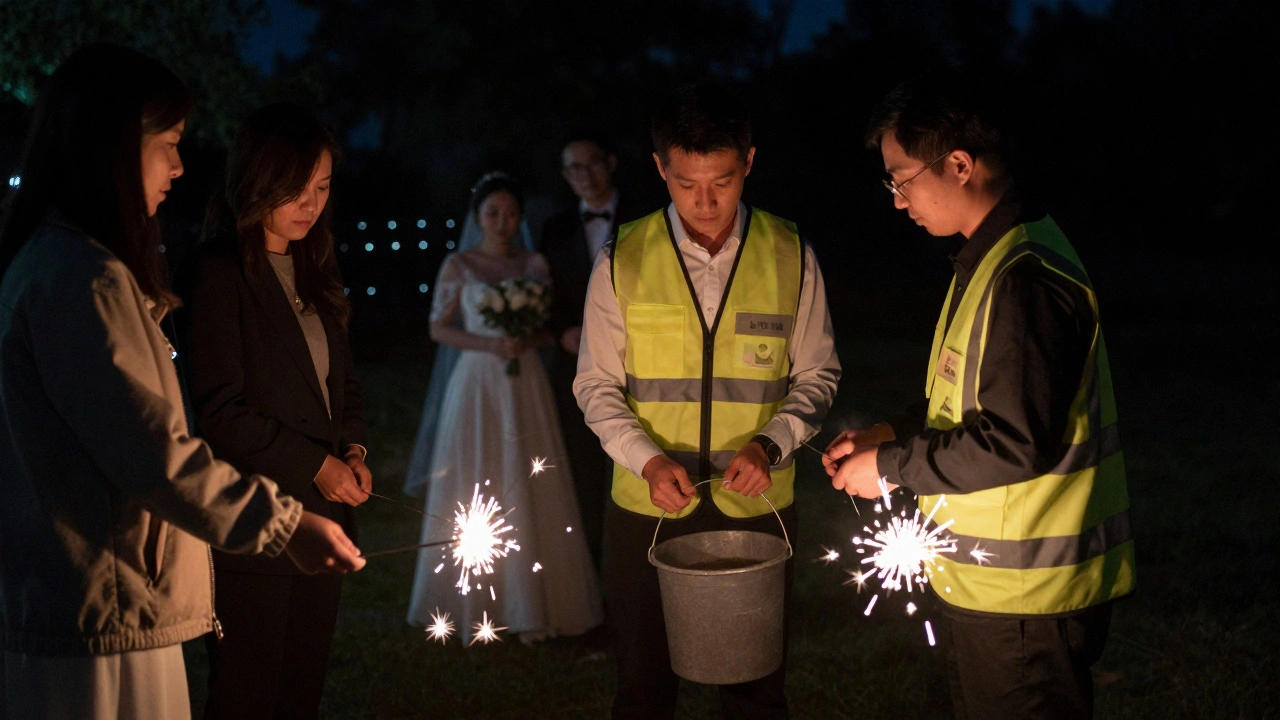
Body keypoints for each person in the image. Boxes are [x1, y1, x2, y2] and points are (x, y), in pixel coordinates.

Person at [0, 44, 364, 720]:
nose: (179, 165)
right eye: (168, 143)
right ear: (109, 146)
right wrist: (286, 524)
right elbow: (156, 453)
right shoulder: (84, 280)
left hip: (99, 595)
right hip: (105, 604)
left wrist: (350, 449)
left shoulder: (58, 266)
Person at [825, 72, 1135, 719]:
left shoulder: (1022, 280)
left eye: (900, 178)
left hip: (1026, 602)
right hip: (1000, 593)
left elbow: (1015, 442)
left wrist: (887, 469)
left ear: (959, 165)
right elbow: (967, 407)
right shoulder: (990, 262)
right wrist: (889, 435)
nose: (897, 199)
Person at [574, 82, 841, 719]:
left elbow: (819, 375)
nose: (705, 202)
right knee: (641, 691)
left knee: (754, 692)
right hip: (647, 507)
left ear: (749, 162)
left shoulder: (790, 254)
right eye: (687, 183)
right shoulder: (621, 259)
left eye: (721, 180)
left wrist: (771, 444)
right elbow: (594, 385)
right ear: (660, 167)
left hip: (757, 508)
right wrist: (644, 458)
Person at [174, 102, 372, 720]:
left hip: (328, 518)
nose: (310, 205)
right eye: (295, 189)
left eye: (322, 188)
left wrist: (355, 451)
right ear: (257, 179)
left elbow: (341, 384)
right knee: (246, 690)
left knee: (301, 685)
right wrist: (316, 464)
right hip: (254, 524)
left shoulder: (315, 266)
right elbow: (221, 410)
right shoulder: (218, 273)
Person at [405, 172, 603, 645]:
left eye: (510, 213)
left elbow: (548, 328)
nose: (502, 221)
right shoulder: (458, 264)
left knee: (529, 473)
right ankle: (473, 599)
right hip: (476, 381)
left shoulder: (534, 263)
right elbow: (439, 328)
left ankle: (537, 599)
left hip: (525, 380)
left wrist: (525, 339)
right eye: (492, 213)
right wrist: (489, 344)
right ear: (477, 217)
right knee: (477, 470)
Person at [539, 132, 647, 569]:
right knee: (582, 470)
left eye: (592, 163)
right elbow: (542, 293)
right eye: (573, 168)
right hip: (575, 365)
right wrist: (561, 329)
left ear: (611, 161)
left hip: (640, 362)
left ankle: (640, 564)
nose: (584, 175)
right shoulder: (555, 228)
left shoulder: (646, 218)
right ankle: (587, 573)